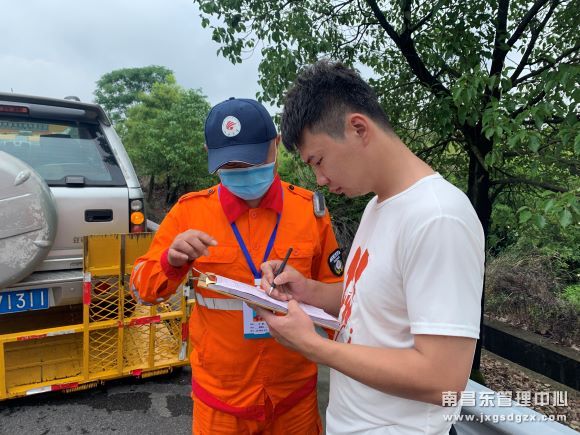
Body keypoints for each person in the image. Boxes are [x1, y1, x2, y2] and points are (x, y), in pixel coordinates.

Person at [255, 60, 485, 434]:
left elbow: (443, 379)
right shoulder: (378, 206)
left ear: (358, 128)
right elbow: (368, 302)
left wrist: (314, 347)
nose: (320, 179)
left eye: (319, 160)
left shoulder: (439, 217)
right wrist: (308, 290)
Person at [129, 97, 344, 434]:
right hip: (220, 403)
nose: (243, 172)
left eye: (252, 161)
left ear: (276, 145)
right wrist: (171, 261)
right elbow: (141, 289)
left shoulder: (308, 211)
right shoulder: (189, 213)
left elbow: (338, 300)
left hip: (293, 400)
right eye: (230, 165)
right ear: (209, 154)